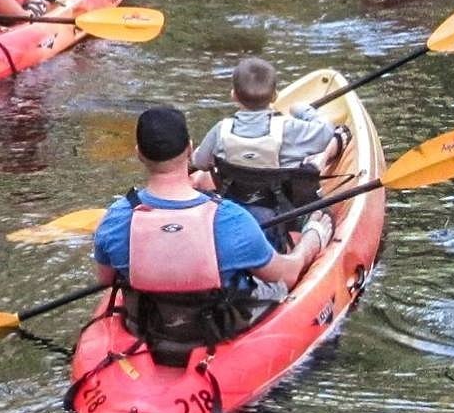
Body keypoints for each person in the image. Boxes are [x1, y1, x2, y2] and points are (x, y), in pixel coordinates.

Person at [92, 107, 333, 360]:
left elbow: (109, 280)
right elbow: (287, 275)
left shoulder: (116, 220)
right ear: (189, 148)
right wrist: (312, 238)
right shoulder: (230, 218)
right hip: (219, 328)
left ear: (139, 153)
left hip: (149, 325)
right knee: (273, 277)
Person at [189, 57, 348, 242]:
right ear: (275, 96)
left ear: (233, 95)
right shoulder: (290, 129)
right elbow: (326, 131)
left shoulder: (220, 130)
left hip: (234, 207)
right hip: (287, 215)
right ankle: (310, 240)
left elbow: (199, 162)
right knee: (323, 210)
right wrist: (302, 110)